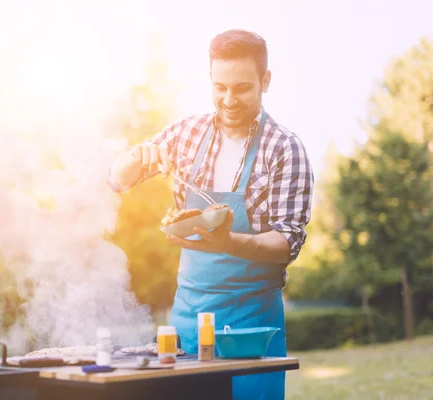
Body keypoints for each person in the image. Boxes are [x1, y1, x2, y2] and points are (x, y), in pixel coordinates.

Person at [108, 29, 314, 400]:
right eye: (220, 87)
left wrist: (228, 242)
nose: (229, 100)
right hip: (188, 319)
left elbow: (287, 243)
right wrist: (134, 158)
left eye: (242, 88)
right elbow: (117, 180)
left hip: (251, 327)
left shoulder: (285, 149)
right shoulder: (188, 133)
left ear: (265, 81)